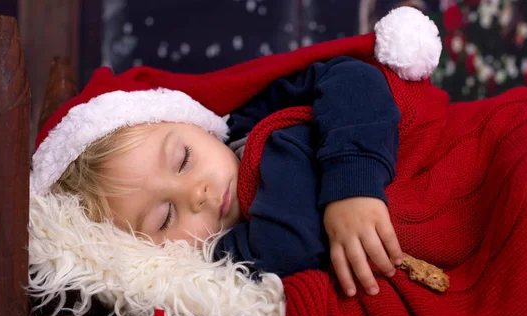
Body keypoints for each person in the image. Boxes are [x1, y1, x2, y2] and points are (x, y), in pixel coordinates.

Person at [46, 56, 404, 298]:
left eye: (184, 159)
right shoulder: (228, 260)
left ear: (194, 123)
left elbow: (353, 78)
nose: (197, 194)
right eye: (165, 217)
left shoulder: (254, 117)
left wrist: (353, 186)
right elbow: (291, 248)